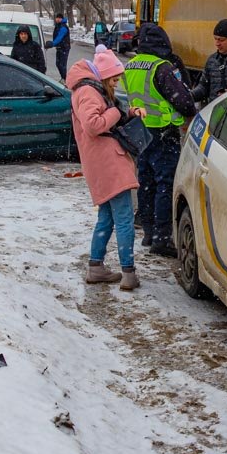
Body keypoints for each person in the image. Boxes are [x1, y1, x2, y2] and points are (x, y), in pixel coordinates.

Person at [67, 49, 148, 290]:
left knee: (107, 217)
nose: (117, 83)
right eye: (114, 79)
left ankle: (96, 267)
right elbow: (94, 125)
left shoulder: (88, 90)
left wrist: (127, 112)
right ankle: (128, 273)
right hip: (108, 162)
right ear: (103, 77)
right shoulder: (89, 92)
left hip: (101, 162)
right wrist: (115, 111)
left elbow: (104, 118)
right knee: (123, 218)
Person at [123, 24, 196, 257]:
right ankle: (162, 239)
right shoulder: (161, 68)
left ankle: (148, 231)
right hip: (163, 132)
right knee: (165, 182)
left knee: (146, 181)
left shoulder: (131, 65)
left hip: (141, 131)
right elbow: (183, 101)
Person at [49, 12, 72, 81]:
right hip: (59, 47)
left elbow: (60, 37)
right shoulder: (58, 25)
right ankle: (63, 78)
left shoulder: (63, 27)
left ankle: (65, 79)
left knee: (62, 64)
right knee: (58, 64)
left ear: (62, 19)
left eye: (59, 18)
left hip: (64, 48)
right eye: (57, 18)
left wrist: (52, 43)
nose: (58, 19)